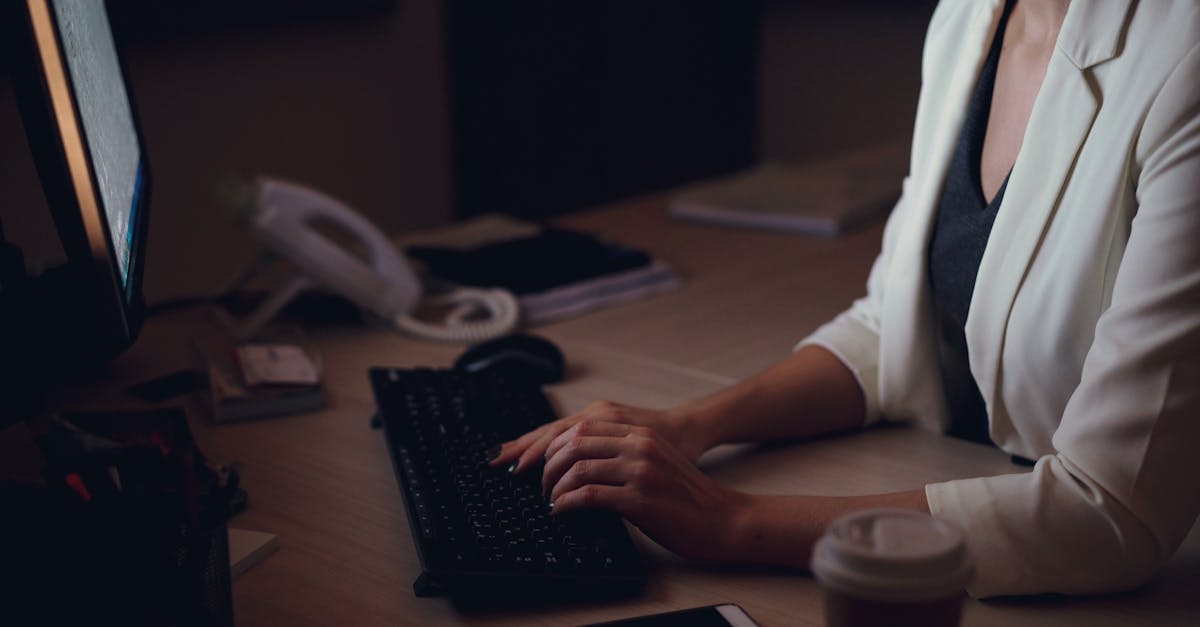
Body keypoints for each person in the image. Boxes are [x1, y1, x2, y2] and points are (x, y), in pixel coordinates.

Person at [492, 0, 1200, 598]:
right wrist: (690, 425)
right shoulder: (970, 16)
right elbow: (894, 329)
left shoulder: (1185, 57)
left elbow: (1111, 511)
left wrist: (731, 521)